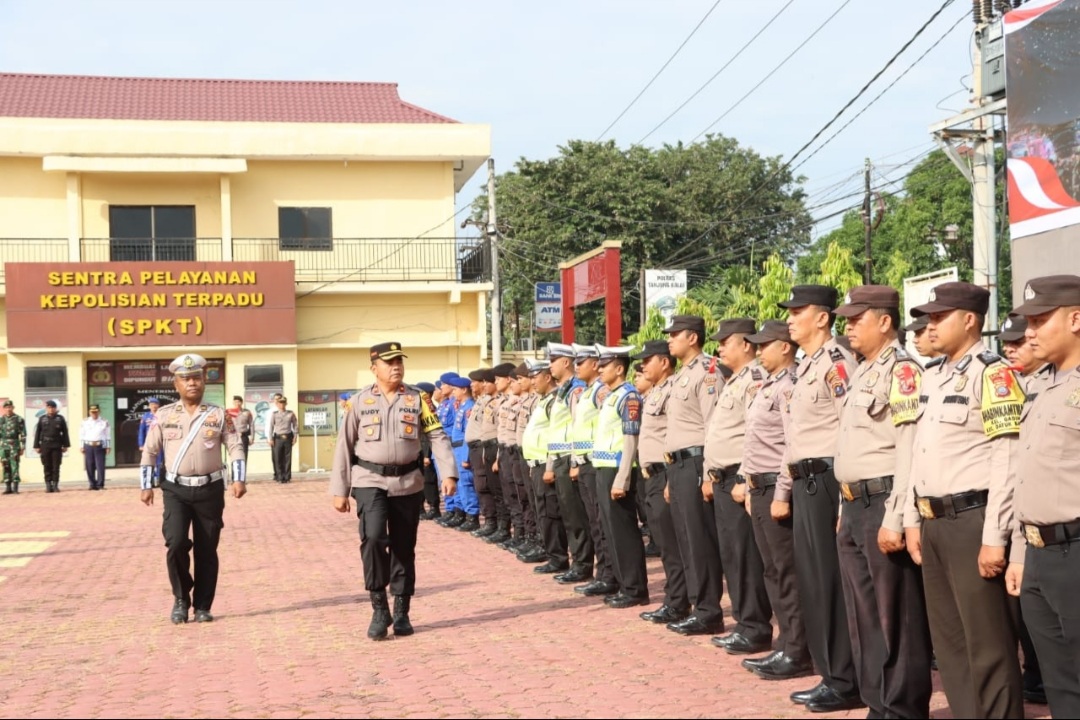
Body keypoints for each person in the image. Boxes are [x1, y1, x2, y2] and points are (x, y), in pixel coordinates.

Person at [906, 281, 1025, 718]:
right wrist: (912, 519)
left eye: (940, 317)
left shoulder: (993, 374)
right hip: (933, 521)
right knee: (950, 642)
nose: (931, 325)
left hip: (974, 520)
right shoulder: (933, 375)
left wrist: (996, 535)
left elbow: (1007, 457)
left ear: (970, 320)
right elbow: (919, 455)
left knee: (987, 643)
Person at [833, 286, 933, 718]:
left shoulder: (903, 371)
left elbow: (909, 446)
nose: (849, 326)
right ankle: (878, 702)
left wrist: (898, 515)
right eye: (847, 319)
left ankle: (905, 707)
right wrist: (843, 509)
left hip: (884, 502)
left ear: (885, 322)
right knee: (864, 615)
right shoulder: (861, 370)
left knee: (898, 617)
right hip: (854, 504)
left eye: (858, 319)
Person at [330, 342, 457, 641]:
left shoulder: (418, 399)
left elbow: (436, 435)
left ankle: (401, 610)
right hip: (368, 480)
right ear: (374, 368)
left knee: (403, 545)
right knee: (373, 537)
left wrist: (448, 472)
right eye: (389, 362)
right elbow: (344, 445)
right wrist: (340, 489)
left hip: (408, 481)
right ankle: (378, 608)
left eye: (399, 361)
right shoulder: (360, 401)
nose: (396, 366)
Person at [774, 285, 862, 712]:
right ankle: (832, 674)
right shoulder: (806, 366)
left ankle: (845, 680)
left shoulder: (835, 363)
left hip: (828, 479)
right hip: (805, 481)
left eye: (798, 311)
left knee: (830, 583)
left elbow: (850, 427)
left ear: (823, 318)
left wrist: (845, 497)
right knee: (814, 582)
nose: (790, 318)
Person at [1006, 275, 1080, 717]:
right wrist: (1019, 551)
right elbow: (1026, 477)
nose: (1029, 331)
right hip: (1038, 554)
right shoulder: (1041, 385)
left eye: (1039, 320)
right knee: (1059, 685)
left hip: (1076, 552)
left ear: (1076, 319)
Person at [139, 353, 247, 625]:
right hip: (176, 490)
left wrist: (238, 478)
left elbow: (235, 446)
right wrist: (146, 486)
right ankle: (180, 599)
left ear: (203, 381)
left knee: (206, 549)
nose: (192, 383)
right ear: (176, 385)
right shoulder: (164, 416)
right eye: (185, 379)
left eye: (196, 378)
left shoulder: (219, 414)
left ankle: (202, 605)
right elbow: (150, 451)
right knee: (175, 544)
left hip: (209, 490)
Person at [737, 321, 813, 683]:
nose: (758, 351)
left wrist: (782, 493)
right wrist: (748, 484)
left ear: (784, 347)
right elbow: (752, 442)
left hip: (776, 487)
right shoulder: (766, 385)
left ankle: (798, 649)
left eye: (764, 345)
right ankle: (785, 643)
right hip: (759, 486)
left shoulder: (790, 386)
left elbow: (790, 445)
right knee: (771, 570)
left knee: (787, 571)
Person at [703, 318, 773, 656]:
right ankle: (744, 623)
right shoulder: (733, 381)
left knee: (745, 557)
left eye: (725, 341)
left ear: (746, 344)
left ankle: (755, 627)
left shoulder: (754, 379)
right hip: (721, 478)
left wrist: (744, 478)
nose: (719, 347)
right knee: (731, 555)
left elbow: (753, 434)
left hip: (737, 479)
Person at [998, 313, 1049, 706]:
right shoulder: (1009, 383)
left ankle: (1039, 673)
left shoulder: (1049, 385)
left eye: (1018, 341)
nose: (1012, 348)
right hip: (1019, 517)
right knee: (1022, 610)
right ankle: (1035, 672)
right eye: (1007, 344)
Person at [661, 315, 724, 636]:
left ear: (693, 338)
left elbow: (713, 424)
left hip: (697, 461)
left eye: (675, 334)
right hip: (678, 465)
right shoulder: (680, 376)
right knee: (685, 538)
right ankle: (697, 604)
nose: (669, 339)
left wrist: (709, 472)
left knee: (699, 539)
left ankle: (709, 610)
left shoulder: (709, 372)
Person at [633, 340, 691, 625]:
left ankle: (678, 602)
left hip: (665, 473)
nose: (643, 366)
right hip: (651, 476)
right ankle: (674, 599)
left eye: (648, 360)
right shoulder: (654, 393)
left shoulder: (672, 390)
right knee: (666, 543)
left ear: (664, 362)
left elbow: (674, 436)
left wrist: (670, 478)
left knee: (671, 544)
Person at [591, 344, 648, 608]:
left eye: (605, 365)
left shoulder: (629, 397)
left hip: (617, 469)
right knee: (611, 530)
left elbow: (630, 440)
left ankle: (635, 588)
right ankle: (624, 584)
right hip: (603, 468)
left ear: (619, 368)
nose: (600, 370)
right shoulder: (611, 396)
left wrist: (623, 478)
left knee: (624, 531)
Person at [545, 343, 595, 584]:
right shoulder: (563, 390)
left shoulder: (576, 391)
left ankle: (583, 564)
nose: (550, 366)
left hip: (569, 458)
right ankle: (578, 561)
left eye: (553, 360)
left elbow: (577, 427)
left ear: (566, 362)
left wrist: (574, 460)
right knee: (567, 513)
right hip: (561, 458)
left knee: (576, 516)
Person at [568, 343, 616, 596]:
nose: (577, 367)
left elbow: (605, 429)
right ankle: (603, 573)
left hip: (598, 463)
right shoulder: (586, 392)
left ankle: (608, 574)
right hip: (586, 463)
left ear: (595, 365)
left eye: (581, 362)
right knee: (594, 523)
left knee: (601, 523)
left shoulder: (600, 392)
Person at [520, 358, 571, 572]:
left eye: (535, 377)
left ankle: (558, 558)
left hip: (546, 464)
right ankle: (552, 554)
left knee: (550, 513)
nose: (532, 382)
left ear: (547, 377)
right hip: (537, 463)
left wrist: (549, 466)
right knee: (542, 511)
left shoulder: (554, 401)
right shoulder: (543, 400)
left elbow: (555, 435)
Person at [447, 375, 481, 530]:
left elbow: (469, 434)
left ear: (463, 389)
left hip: (463, 448)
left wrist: (466, 456)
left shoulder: (469, 408)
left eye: (455, 389)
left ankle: (472, 516)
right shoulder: (461, 406)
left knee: (466, 483)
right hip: (456, 448)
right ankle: (462, 513)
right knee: (460, 484)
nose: (453, 392)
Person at [415, 381, 442, 520]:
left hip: (426, 452)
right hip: (416, 452)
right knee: (418, 482)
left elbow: (429, 436)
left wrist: (426, 455)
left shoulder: (430, 410)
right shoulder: (416, 407)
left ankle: (433, 507)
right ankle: (419, 508)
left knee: (429, 481)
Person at [33, 400, 69, 493]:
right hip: (45, 445)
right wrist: (36, 445)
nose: (51, 409)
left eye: (53, 407)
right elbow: (37, 433)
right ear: (46, 408)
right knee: (46, 465)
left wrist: (66, 445)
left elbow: (65, 432)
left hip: (57, 445)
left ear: (55, 408)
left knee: (56, 466)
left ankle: (55, 485)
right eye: (49, 407)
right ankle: (48, 485)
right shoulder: (42, 419)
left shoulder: (60, 419)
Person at [79, 404, 111, 491]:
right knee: (89, 465)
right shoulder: (85, 422)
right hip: (88, 445)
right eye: (92, 412)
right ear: (89, 412)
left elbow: (107, 435)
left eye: (96, 412)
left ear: (99, 412)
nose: (94, 414)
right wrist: (81, 446)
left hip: (99, 445)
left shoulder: (104, 421)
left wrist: (108, 446)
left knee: (100, 466)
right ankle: (92, 484)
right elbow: (82, 434)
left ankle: (100, 484)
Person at [0, 400, 27, 495]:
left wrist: (23, 447)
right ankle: (8, 487)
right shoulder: (1, 419)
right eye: (6, 407)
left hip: (14, 445)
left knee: (14, 465)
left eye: (10, 407)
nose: (8, 409)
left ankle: (15, 487)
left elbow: (23, 435)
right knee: (5, 465)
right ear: (4, 409)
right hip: (4, 446)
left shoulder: (19, 419)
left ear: (13, 407)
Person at [269, 397, 297, 483]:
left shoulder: (290, 413)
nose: (282, 404)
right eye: (280, 403)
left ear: (286, 403)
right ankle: (280, 477)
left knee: (287, 458)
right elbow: (271, 426)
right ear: (277, 404)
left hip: (288, 437)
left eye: (283, 403)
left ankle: (287, 477)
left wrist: (295, 437)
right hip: (278, 438)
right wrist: (270, 438)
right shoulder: (274, 414)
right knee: (278, 458)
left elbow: (295, 425)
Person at [139, 398, 165, 484]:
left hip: (160, 443)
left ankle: (159, 479)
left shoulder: (162, 415)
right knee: (149, 462)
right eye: (152, 404)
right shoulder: (146, 416)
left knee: (159, 462)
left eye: (155, 404)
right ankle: (149, 481)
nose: (154, 406)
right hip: (148, 443)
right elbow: (141, 431)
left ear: (158, 405)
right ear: (149, 406)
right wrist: (141, 444)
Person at [229, 396, 254, 462]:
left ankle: (243, 472)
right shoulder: (229, 412)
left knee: (244, 456)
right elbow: (227, 425)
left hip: (243, 436)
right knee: (234, 456)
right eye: (235, 402)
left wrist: (252, 437)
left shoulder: (247, 412)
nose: (237, 403)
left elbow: (251, 425)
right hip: (234, 437)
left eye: (239, 402)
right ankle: (234, 472)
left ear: (242, 402)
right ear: (233, 403)